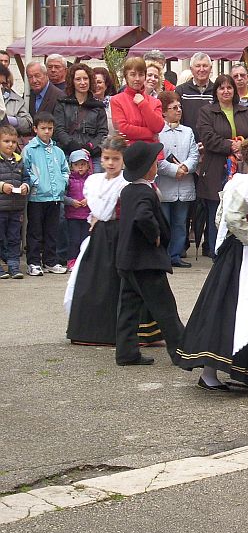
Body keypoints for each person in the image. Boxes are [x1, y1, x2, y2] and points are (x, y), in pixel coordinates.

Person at [178, 137, 248, 390]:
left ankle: (216, 371)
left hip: (234, 252)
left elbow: (221, 216)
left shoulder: (236, 182)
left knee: (224, 309)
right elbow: (233, 217)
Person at [115, 141, 185, 366]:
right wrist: (154, 234)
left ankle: (126, 352)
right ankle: (182, 351)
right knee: (165, 308)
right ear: (148, 168)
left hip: (127, 260)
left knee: (128, 308)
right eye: (155, 162)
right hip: (146, 262)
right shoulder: (145, 192)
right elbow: (143, 216)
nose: (157, 165)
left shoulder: (128, 191)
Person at [64, 136, 129, 345]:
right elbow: (96, 210)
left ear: (123, 160)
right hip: (99, 235)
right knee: (92, 281)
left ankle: (112, 331)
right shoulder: (94, 181)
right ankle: (88, 330)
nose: (110, 163)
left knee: (114, 283)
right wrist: (94, 218)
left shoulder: (126, 183)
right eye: (107, 158)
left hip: (118, 234)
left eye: (115, 159)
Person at [196, 74, 248, 259]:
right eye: (221, 88)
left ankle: (239, 253)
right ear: (216, 91)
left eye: (229, 87)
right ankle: (218, 253)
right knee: (218, 215)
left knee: (242, 211)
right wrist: (231, 145)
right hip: (216, 170)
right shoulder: (207, 112)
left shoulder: (244, 111)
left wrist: (243, 146)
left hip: (242, 168)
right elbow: (207, 137)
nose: (226, 91)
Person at [157, 91, 199, 268]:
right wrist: (174, 170)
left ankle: (175, 254)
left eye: (179, 106)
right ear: (164, 112)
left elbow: (194, 154)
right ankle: (163, 255)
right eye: (174, 108)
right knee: (164, 222)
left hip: (184, 185)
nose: (178, 110)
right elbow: (158, 159)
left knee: (180, 223)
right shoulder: (158, 132)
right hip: (165, 185)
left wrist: (186, 167)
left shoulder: (188, 131)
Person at [23, 113, 69, 276]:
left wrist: (63, 182)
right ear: (35, 129)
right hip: (36, 197)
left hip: (55, 197)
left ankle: (50, 260)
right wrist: (35, 182)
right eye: (43, 128)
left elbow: (65, 170)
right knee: (35, 230)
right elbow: (25, 170)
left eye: (50, 128)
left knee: (52, 230)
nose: (47, 132)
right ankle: (33, 262)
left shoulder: (58, 151)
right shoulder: (29, 149)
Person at [53, 63, 108, 173]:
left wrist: (89, 148)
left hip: (92, 156)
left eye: (85, 79)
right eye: (78, 79)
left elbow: (102, 133)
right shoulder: (62, 104)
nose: (82, 83)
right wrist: (74, 146)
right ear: (72, 82)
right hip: (67, 154)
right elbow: (59, 129)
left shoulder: (98, 106)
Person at [110, 57, 164, 145]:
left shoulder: (155, 102)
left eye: (141, 74)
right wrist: (150, 134)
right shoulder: (117, 100)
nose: (137, 79)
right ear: (126, 77)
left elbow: (158, 127)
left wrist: (143, 104)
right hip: (129, 152)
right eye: (133, 74)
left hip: (153, 153)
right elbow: (123, 129)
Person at [0, 125, 29, 279]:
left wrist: (26, 186)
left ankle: (13, 266)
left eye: (13, 141)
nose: (10, 144)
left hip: (16, 208)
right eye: (6, 141)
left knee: (14, 238)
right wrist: (2, 186)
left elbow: (27, 178)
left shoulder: (19, 161)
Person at [63, 149, 92, 270]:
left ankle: (84, 261)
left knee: (86, 240)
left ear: (87, 165)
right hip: (72, 216)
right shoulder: (68, 180)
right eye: (76, 165)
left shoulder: (91, 179)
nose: (80, 167)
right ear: (71, 166)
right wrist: (71, 202)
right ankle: (72, 261)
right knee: (73, 240)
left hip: (87, 216)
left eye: (82, 164)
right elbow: (62, 196)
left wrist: (88, 200)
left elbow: (96, 194)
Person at [175, 52, 214, 133]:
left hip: (211, 141)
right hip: (187, 141)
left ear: (210, 68)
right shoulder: (181, 91)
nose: (202, 69)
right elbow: (176, 119)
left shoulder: (217, 91)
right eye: (198, 66)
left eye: (205, 66)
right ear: (191, 69)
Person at [0, 65, 32, 137]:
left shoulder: (16, 100)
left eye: (3, 83)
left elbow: (28, 123)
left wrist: (10, 120)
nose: (1, 86)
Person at [93, 66, 118, 136]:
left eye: (99, 82)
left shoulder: (115, 102)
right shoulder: (86, 103)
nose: (96, 85)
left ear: (106, 85)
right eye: (93, 83)